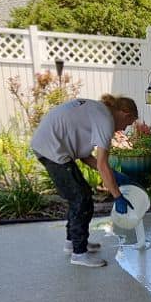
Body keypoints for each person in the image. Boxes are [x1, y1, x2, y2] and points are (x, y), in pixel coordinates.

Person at [31, 93, 137, 268]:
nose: (124, 129)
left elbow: (85, 156)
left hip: (50, 145)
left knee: (79, 197)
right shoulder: (106, 119)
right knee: (81, 198)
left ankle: (72, 242)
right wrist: (117, 196)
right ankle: (79, 253)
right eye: (129, 123)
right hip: (51, 149)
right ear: (125, 114)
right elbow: (102, 164)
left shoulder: (98, 111)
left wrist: (113, 175)